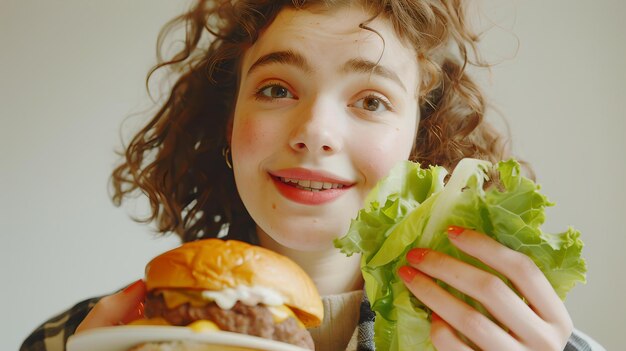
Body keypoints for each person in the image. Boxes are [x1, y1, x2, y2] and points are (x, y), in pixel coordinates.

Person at [21, 0, 604, 350]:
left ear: (417, 142)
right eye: (277, 89)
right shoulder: (74, 341)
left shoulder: (537, 343)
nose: (315, 130)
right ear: (229, 124)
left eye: (372, 100)